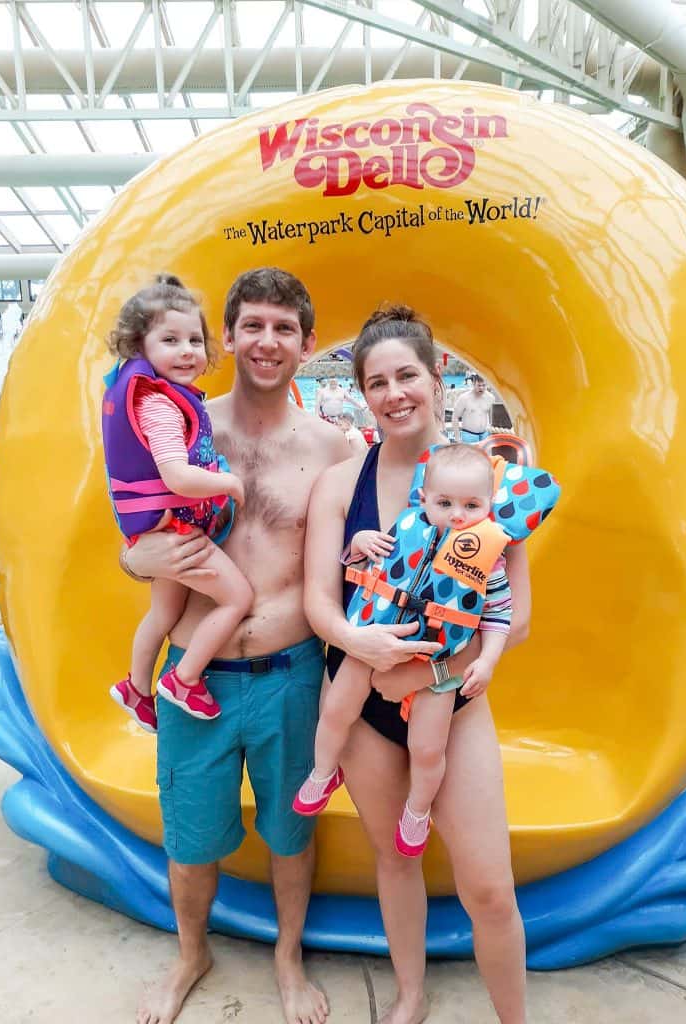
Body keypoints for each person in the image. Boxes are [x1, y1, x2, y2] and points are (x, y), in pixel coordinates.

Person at [123, 268, 349, 1024]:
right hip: (198, 674)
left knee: (290, 828)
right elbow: (133, 537)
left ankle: (287, 956)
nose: (267, 340)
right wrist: (136, 560)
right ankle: (191, 953)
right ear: (226, 337)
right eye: (252, 324)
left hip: (291, 672)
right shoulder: (178, 427)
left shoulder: (332, 446)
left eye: (285, 328)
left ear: (308, 345)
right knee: (189, 831)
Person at [304, 306, 530, 1024]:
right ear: (362, 395)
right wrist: (362, 645)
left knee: (490, 888)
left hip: (449, 701)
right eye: (377, 381)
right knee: (394, 858)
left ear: (436, 377)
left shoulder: (490, 483)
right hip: (365, 703)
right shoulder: (342, 485)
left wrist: (431, 669)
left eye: (407, 374)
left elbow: (515, 616)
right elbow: (320, 604)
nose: (395, 392)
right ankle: (410, 993)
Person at [294, 443, 512, 862]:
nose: (457, 515)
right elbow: (354, 566)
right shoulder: (405, 527)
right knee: (336, 710)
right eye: (445, 503)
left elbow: (500, 617)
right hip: (375, 640)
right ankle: (323, 773)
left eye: (472, 505)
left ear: (489, 506)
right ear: (424, 499)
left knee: (428, 750)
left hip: (435, 663)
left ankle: (417, 810)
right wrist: (358, 540)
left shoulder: (491, 559)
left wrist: (487, 660)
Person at [104, 275, 252, 731]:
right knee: (237, 598)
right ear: (138, 346)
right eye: (170, 340)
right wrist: (228, 483)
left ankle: (136, 688)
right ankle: (184, 680)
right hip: (177, 529)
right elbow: (176, 475)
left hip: (158, 526)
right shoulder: (160, 405)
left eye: (193, 339)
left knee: (163, 612)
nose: (186, 350)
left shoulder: (154, 396)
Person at [452, 374, 496, 443]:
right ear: (473, 384)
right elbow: (455, 417)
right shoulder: (464, 398)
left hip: (484, 435)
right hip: (469, 435)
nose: (481, 388)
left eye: (483, 385)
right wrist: (457, 438)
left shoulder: (490, 398)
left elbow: (492, 418)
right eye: (479, 385)